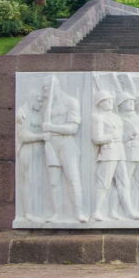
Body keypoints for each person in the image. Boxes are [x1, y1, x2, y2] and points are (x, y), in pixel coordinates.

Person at [42, 77, 86, 223]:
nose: (45, 94)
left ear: (55, 86)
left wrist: (51, 128)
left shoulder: (71, 102)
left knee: (73, 179)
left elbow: (73, 129)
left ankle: (78, 213)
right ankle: (57, 214)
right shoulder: (48, 105)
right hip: (51, 144)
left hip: (67, 144)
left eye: (46, 89)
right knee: (53, 182)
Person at [91, 92, 138, 222]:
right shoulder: (99, 118)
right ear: (100, 103)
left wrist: (130, 134)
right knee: (103, 183)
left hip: (120, 152)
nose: (110, 102)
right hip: (107, 153)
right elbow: (96, 138)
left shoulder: (117, 118)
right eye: (106, 100)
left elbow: (121, 137)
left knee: (124, 183)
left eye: (111, 100)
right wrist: (111, 136)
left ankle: (129, 211)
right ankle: (96, 212)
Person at [15, 82, 49, 222]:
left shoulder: (38, 114)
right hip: (27, 150)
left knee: (38, 181)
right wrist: (40, 136)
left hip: (39, 150)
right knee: (28, 181)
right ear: (31, 99)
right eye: (38, 100)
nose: (41, 103)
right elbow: (23, 135)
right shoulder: (23, 113)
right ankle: (27, 212)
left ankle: (37, 212)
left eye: (42, 101)